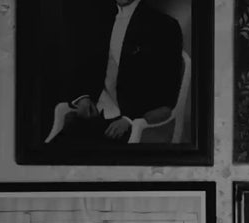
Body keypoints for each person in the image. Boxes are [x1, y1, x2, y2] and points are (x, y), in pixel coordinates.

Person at [55, 0, 183, 145]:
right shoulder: (99, 18)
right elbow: (85, 66)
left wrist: (130, 119)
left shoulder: (164, 25)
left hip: (129, 124)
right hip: (93, 116)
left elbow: (166, 91)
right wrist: (82, 97)